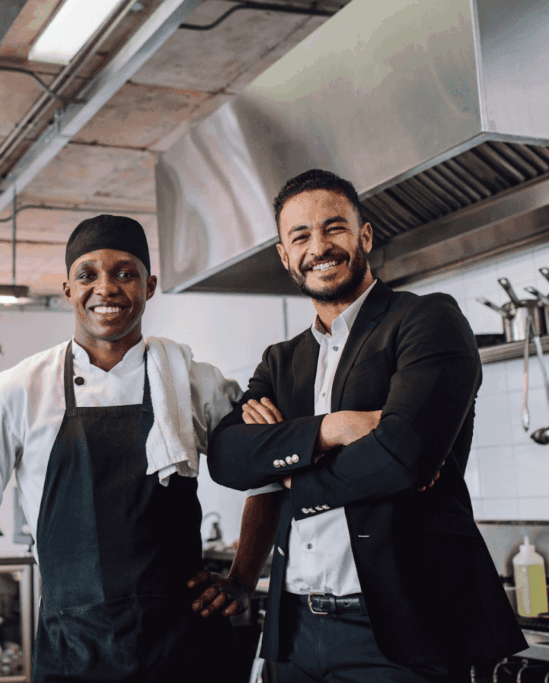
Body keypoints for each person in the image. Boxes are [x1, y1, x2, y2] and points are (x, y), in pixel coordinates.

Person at [206, 170, 527, 682]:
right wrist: (331, 430)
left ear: (365, 236)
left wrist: (290, 474)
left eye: (334, 228)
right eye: (301, 236)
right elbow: (226, 457)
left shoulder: (426, 320)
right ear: (285, 256)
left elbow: (403, 456)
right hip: (291, 632)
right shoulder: (281, 361)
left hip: (398, 635)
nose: (319, 247)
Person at [0, 215, 253, 682]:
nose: (107, 288)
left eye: (125, 273)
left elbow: (267, 472)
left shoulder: (191, 381)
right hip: (74, 651)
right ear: (67, 289)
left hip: (186, 649)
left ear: (150, 285)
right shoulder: (19, 390)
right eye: (88, 274)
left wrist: (242, 579)